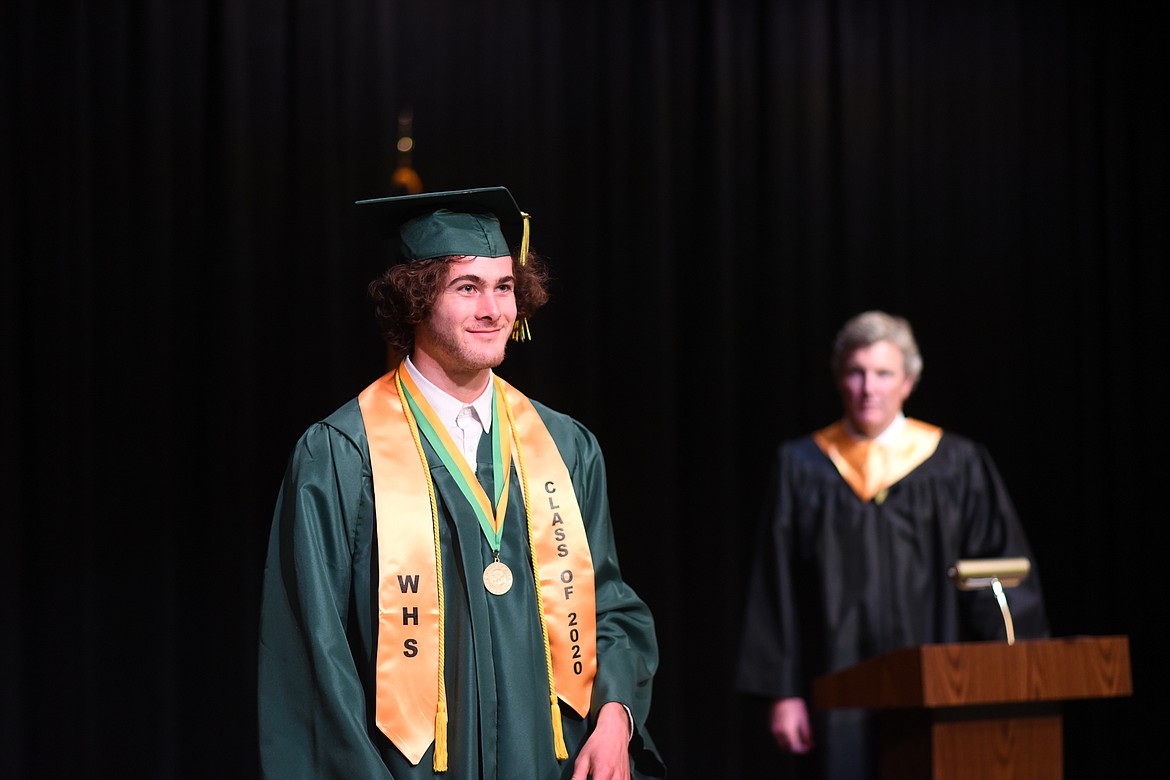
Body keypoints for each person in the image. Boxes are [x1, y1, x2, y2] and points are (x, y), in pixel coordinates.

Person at [258, 187, 664, 780]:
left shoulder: (565, 447)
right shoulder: (343, 455)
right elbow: (313, 657)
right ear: (415, 300)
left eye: (504, 287)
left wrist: (615, 718)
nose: (494, 310)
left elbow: (610, 606)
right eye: (467, 288)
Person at [735, 310, 1049, 780]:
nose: (869, 388)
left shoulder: (956, 463)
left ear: (908, 382)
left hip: (942, 682)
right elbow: (777, 585)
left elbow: (997, 573)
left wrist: (1013, 669)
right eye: (857, 372)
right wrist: (784, 692)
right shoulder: (802, 466)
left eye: (884, 373)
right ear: (840, 379)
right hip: (836, 685)